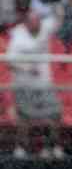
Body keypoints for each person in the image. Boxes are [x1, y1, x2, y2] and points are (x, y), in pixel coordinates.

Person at [7, 11, 65, 160]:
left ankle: (52, 147)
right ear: (26, 23)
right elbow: (9, 62)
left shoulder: (45, 27)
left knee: (54, 114)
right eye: (32, 21)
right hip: (23, 84)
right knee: (24, 118)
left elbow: (58, 19)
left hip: (44, 83)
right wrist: (27, 68)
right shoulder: (17, 37)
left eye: (38, 21)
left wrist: (57, 2)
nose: (36, 24)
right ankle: (21, 148)